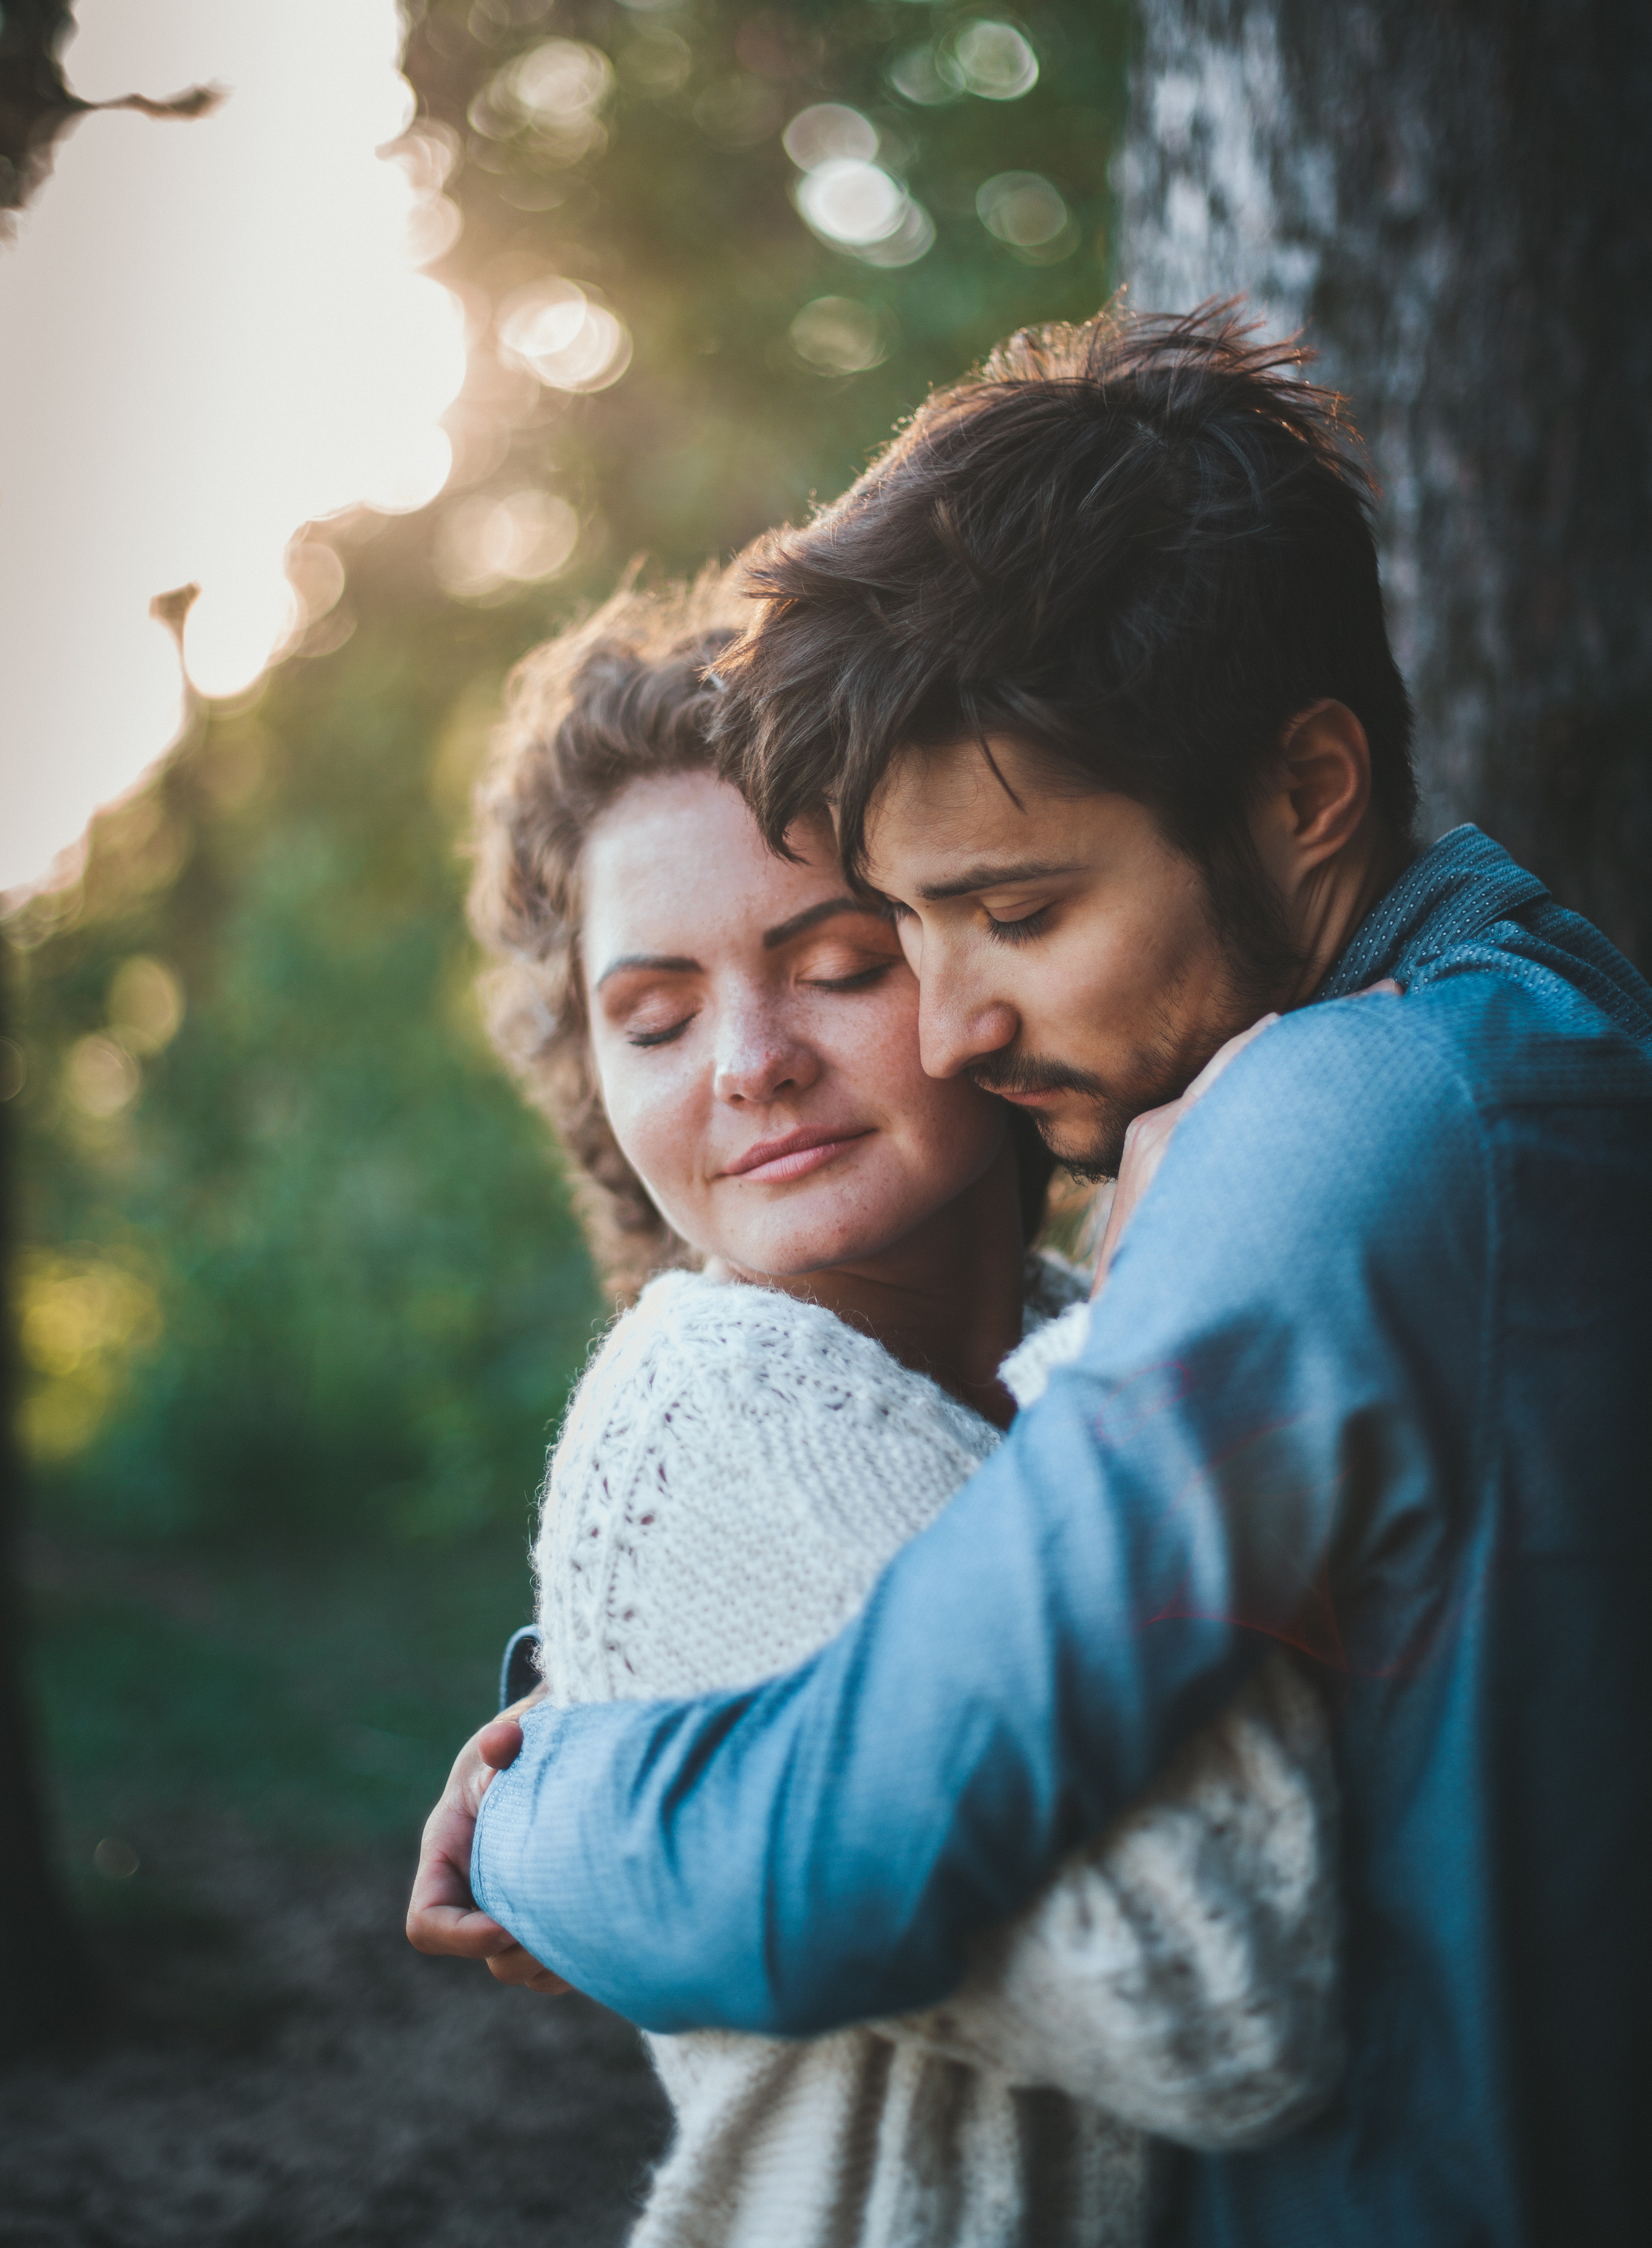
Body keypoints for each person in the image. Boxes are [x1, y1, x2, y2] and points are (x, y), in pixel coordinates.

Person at [410, 309, 1652, 2247]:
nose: (957, 1020)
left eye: (1008, 915)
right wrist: (610, 1648)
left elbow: (844, 1838)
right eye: (914, 928)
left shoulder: (1330, 1132)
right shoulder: (1540, 1030)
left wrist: (541, 1803)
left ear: (1307, 790)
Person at [433, 588, 1341, 2247]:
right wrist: (1166, 1315)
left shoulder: (1057, 1340)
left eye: (838, 965)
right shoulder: (722, 1400)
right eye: (654, 1018)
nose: (749, 1061)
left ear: (980, 958)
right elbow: (1227, 2010)